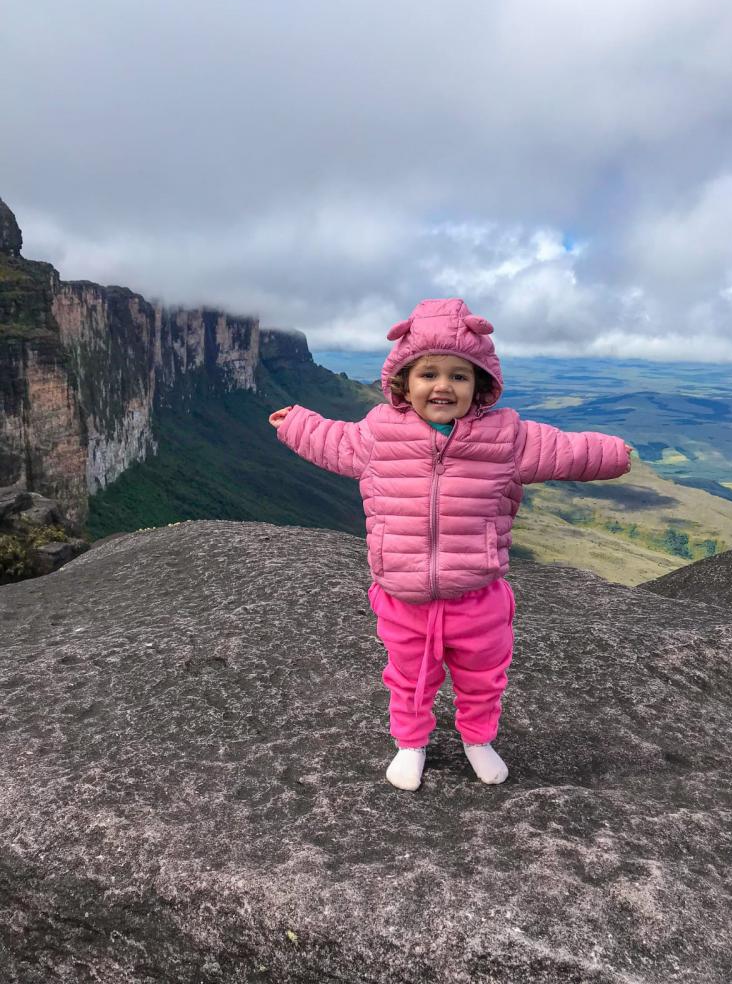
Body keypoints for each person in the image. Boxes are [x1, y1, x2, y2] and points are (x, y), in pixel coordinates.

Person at [269, 298, 633, 791]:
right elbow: (333, 441)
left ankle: (477, 738)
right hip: (402, 594)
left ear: (480, 386)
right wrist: (295, 423)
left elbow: (565, 450)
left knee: (484, 676)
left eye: (460, 376)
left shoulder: (506, 438)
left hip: (476, 594)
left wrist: (612, 453)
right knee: (409, 676)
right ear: (403, 383)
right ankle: (411, 743)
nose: (443, 386)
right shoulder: (379, 433)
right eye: (429, 374)